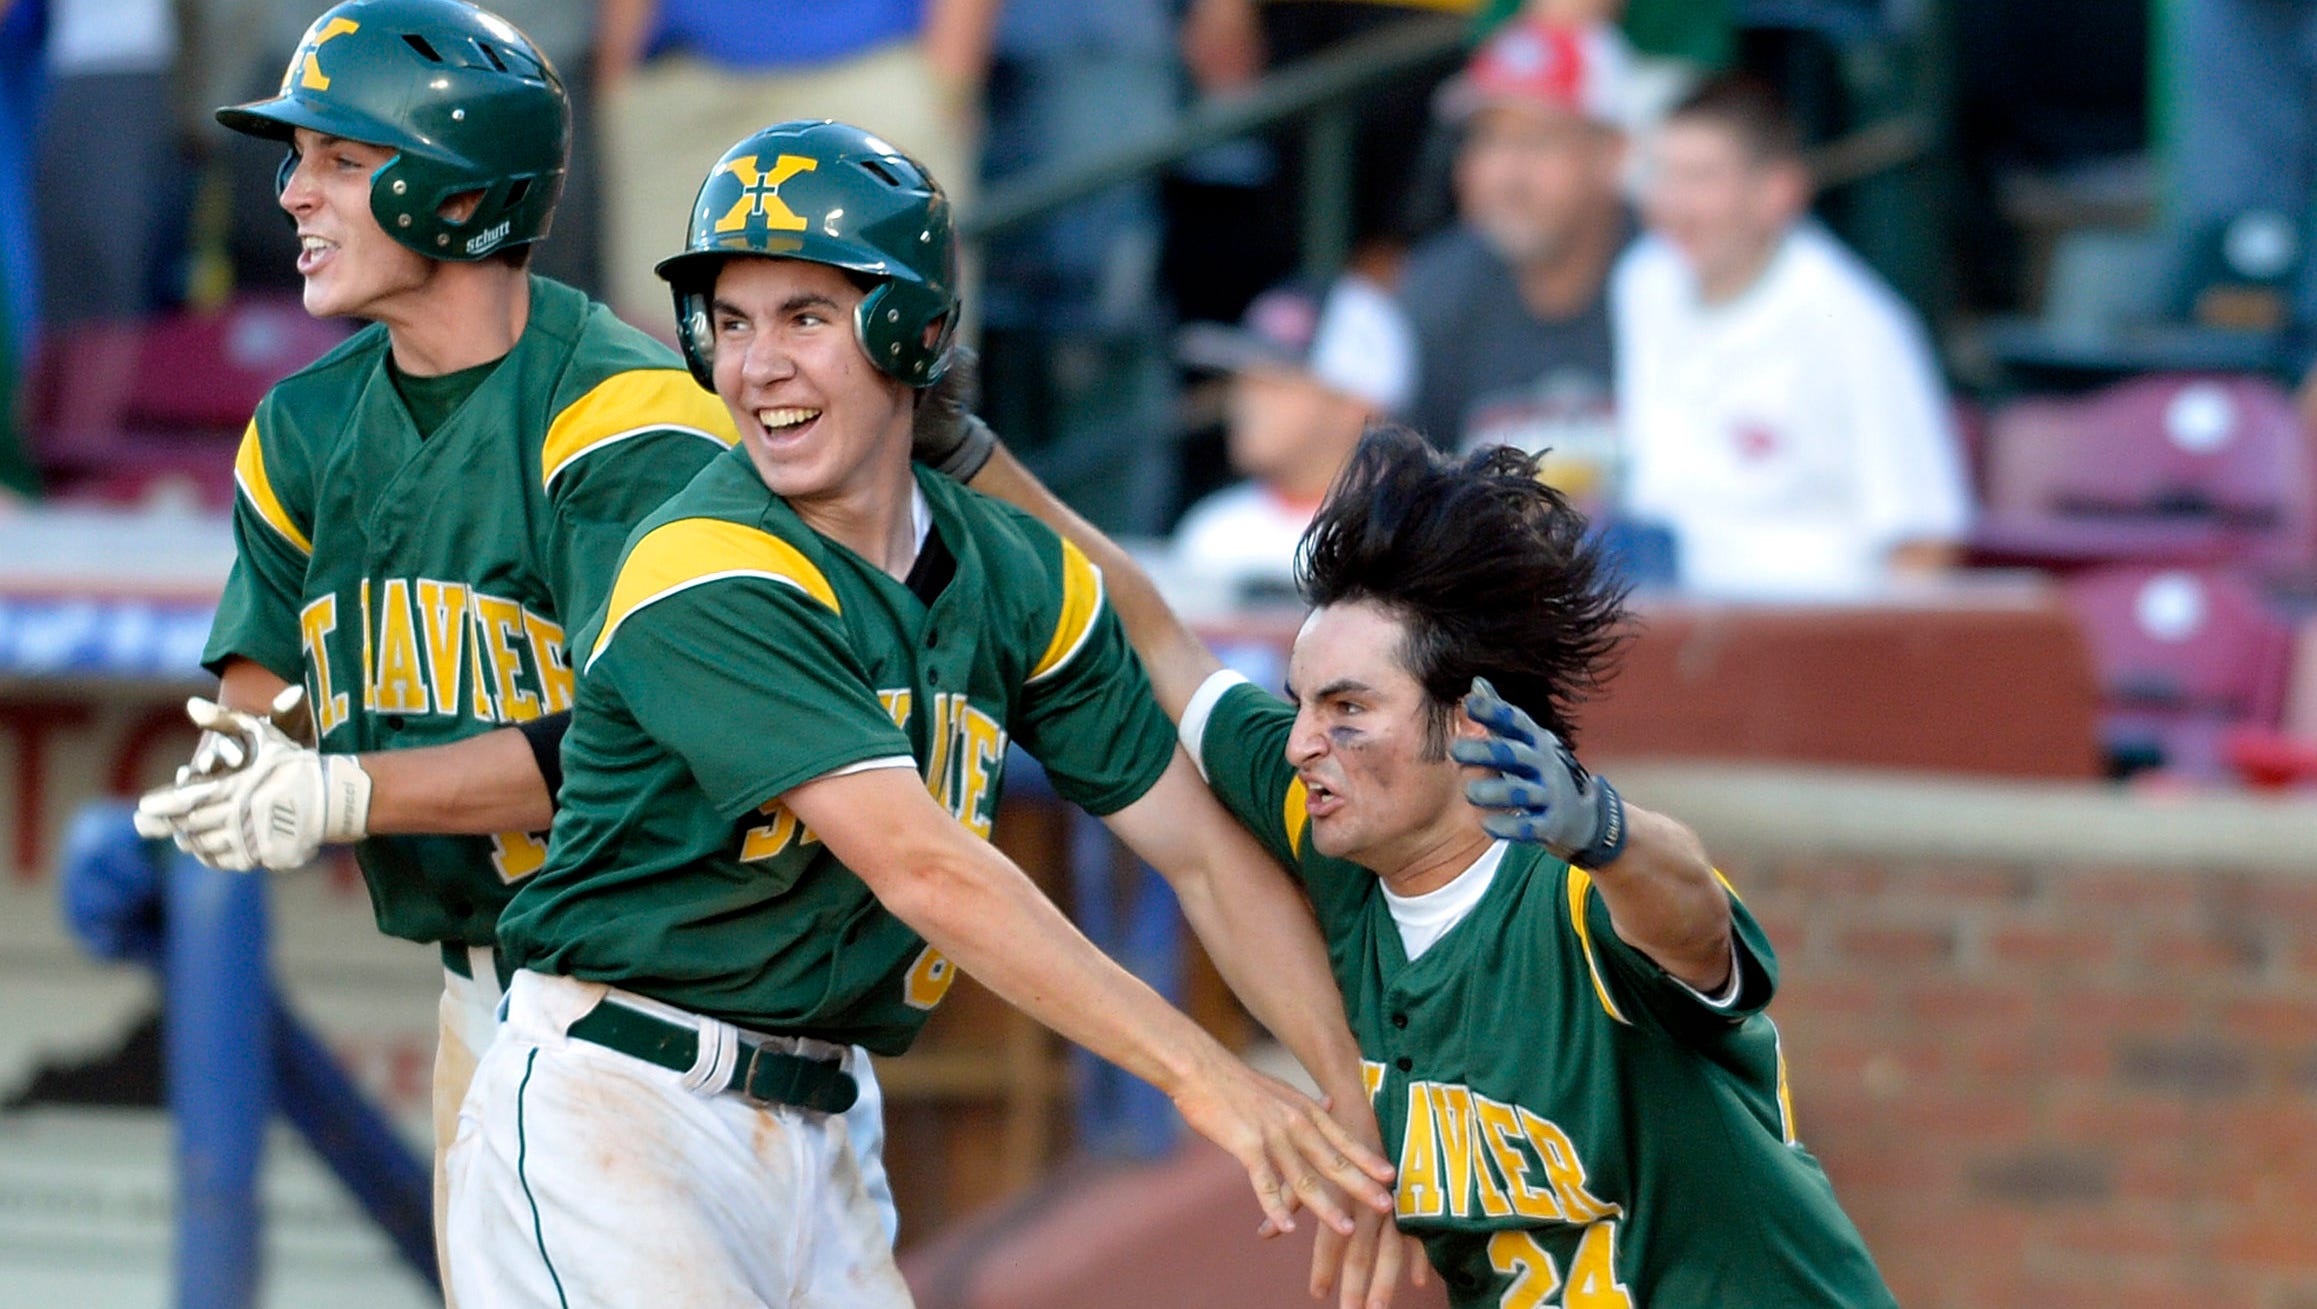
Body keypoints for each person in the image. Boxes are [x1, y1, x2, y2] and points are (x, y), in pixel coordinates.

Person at [445, 118, 1405, 1309]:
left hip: (822, 1126)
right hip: (624, 1107)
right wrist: (1203, 1077)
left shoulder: (1011, 572)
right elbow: (929, 873)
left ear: (915, 331)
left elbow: (1203, 857)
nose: (757, 365)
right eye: (731, 323)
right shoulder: (701, 561)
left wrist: (1353, 1123)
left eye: (806, 316)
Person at [122, 0, 855, 1289]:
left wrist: (345, 791)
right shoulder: (302, 427)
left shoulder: (631, 418)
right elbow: (255, 725)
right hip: (497, 1003)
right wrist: (240, 771)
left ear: (460, 199)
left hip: (684, 1004)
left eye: (341, 161)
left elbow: (641, 746)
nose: (291, 192)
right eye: (296, 158)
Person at [925, 407, 1898, 1305]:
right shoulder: (1331, 818)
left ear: (1469, 721)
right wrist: (971, 454)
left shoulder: (1574, 892)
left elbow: (1690, 913)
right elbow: (1150, 631)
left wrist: (1601, 828)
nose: (1302, 739)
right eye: (1304, 702)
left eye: (1347, 709)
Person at [1612, 74, 1971, 598]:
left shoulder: (1857, 323)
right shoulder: (1643, 279)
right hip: (1658, 623)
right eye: (1662, 174)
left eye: (1701, 178)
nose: (1672, 203)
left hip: (1810, 641)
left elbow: (1924, 538)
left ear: (1779, 191)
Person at [592, 0, 996, 334]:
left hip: (871, 68)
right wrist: (621, 71)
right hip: (685, 83)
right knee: (669, 369)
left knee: (898, 351)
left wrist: (949, 79)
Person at [1396, 14, 1634, 515]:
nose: (1506, 174)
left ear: (1612, 155)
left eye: (1536, 141)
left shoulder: (1668, 278)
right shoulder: (1436, 289)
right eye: (1487, 140)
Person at [1173, 275, 1413, 604]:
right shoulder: (1213, 530)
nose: (1246, 402)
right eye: (1244, 380)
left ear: (1356, 406)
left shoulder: (1413, 537)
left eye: (1274, 383)